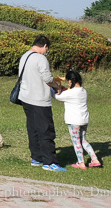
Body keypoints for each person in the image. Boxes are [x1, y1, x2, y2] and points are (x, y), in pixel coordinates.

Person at [17, 35, 65, 171]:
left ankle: (36, 158)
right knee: (46, 130)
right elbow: (47, 78)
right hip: (39, 100)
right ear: (44, 46)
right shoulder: (41, 58)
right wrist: (57, 87)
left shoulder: (25, 56)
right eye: (47, 49)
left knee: (33, 129)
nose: (46, 52)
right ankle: (49, 162)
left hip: (26, 98)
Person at [52, 69, 101, 169]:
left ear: (70, 81)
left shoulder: (71, 93)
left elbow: (56, 97)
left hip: (74, 121)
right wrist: (63, 88)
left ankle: (81, 163)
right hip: (84, 120)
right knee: (83, 141)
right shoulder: (83, 91)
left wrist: (53, 88)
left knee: (76, 142)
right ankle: (95, 159)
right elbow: (70, 92)